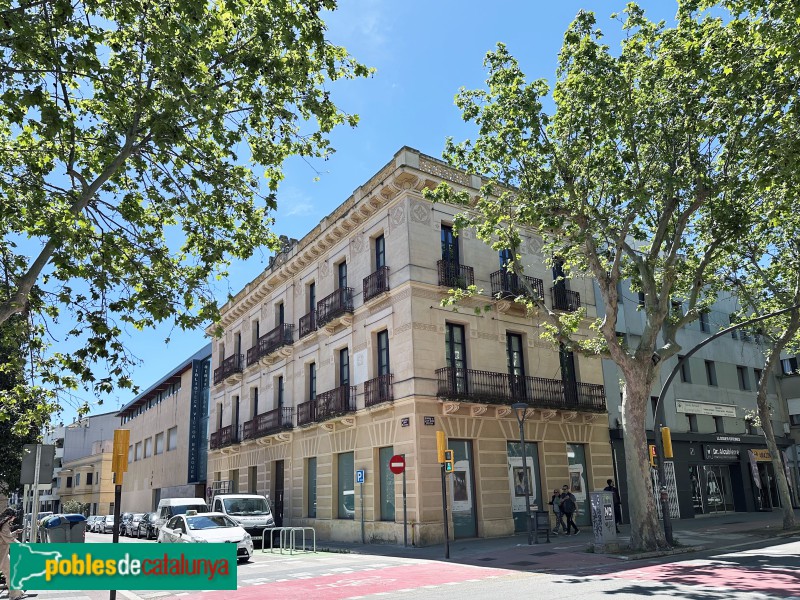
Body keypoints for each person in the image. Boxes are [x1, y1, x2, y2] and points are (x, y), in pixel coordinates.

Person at [0, 507, 25, 599]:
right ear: (10, 516)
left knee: (10, 571)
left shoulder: (2, 524)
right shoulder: (5, 525)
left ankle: (15, 593)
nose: (14, 519)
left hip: (3, 553)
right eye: (14, 517)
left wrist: (15, 532)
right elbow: (8, 539)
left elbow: (5, 536)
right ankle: (15, 594)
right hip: (1, 553)